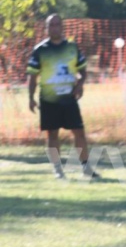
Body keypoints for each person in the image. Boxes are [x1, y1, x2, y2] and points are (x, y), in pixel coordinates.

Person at [26, 13, 99, 179]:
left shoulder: (72, 47)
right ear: (46, 28)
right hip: (49, 99)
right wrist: (30, 97)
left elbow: (83, 70)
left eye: (58, 24)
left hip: (69, 99)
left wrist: (80, 84)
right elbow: (32, 76)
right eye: (51, 25)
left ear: (62, 27)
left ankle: (86, 168)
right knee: (52, 134)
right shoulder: (40, 50)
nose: (55, 27)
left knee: (79, 132)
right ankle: (58, 169)